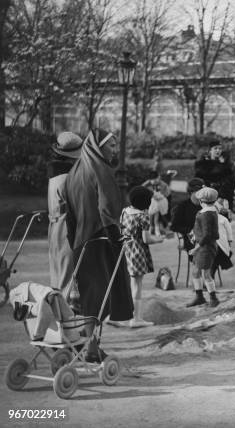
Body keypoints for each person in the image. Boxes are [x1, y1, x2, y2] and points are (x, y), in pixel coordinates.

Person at [65, 129, 133, 362]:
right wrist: (116, 237)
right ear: (98, 147)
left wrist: (73, 242)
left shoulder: (73, 172)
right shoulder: (101, 170)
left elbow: (69, 216)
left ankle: (88, 343)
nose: (115, 149)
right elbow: (106, 209)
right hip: (101, 239)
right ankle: (92, 346)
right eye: (112, 145)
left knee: (89, 297)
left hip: (80, 242)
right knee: (104, 295)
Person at [120, 186, 164, 327]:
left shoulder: (125, 211)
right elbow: (146, 239)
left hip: (125, 248)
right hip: (137, 252)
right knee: (137, 285)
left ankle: (123, 315)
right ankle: (136, 319)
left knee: (128, 283)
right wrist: (159, 239)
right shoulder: (143, 216)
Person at [47, 132, 83, 299]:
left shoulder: (54, 177)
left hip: (54, 225)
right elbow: (78, 207)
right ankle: (65, 319)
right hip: (66, 227)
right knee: (68, 275)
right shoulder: (69, 179)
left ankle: (61, 313)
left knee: (57, 270)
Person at [188, 187, 220, 308]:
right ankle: (200, 296)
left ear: (202, 201)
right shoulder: (211, 211)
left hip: (205, 247)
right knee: (197, 271)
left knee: (204, 273)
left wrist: (196, 247)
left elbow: (207, 234)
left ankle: (212, 297)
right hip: (204, 246)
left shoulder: (206, 214)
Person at [194, 140, 235, 211]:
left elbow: (233, 180)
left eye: (220, 149)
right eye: (215, 148)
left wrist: (223, 165)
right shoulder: (202, 164)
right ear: (210, 151)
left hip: (223, 195)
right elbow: (199, 178)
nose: (218, 150)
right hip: (208, 193)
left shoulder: (225, 164)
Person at [170, 178, 205, 257]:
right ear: (191, 191)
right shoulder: (182, 207)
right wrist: (190, 230)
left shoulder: (206, 205)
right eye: (199, 191)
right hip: (190, 238)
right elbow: (174, 226)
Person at [142, 170, 171, 235]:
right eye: (152, 180)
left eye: (156, 179)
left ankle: (156, 229)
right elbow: (141, 187)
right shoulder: (149, 184)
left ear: (159, 177)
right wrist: (147, 182)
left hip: (160, 202)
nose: (154, 181)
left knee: (156, 216)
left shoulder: (163, 184)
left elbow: (167, 194)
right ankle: (152, 228)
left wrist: (161, 196)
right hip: (151, 203)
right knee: (151, 216)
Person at [211, 205, 233, 283]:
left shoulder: (223, 219)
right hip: (206, 245)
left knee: (217, 253)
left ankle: (210, 276)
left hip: (219, 245)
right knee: (216, 253)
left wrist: (229, 243)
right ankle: (210, 276)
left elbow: (229, 233)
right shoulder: (203, 217)